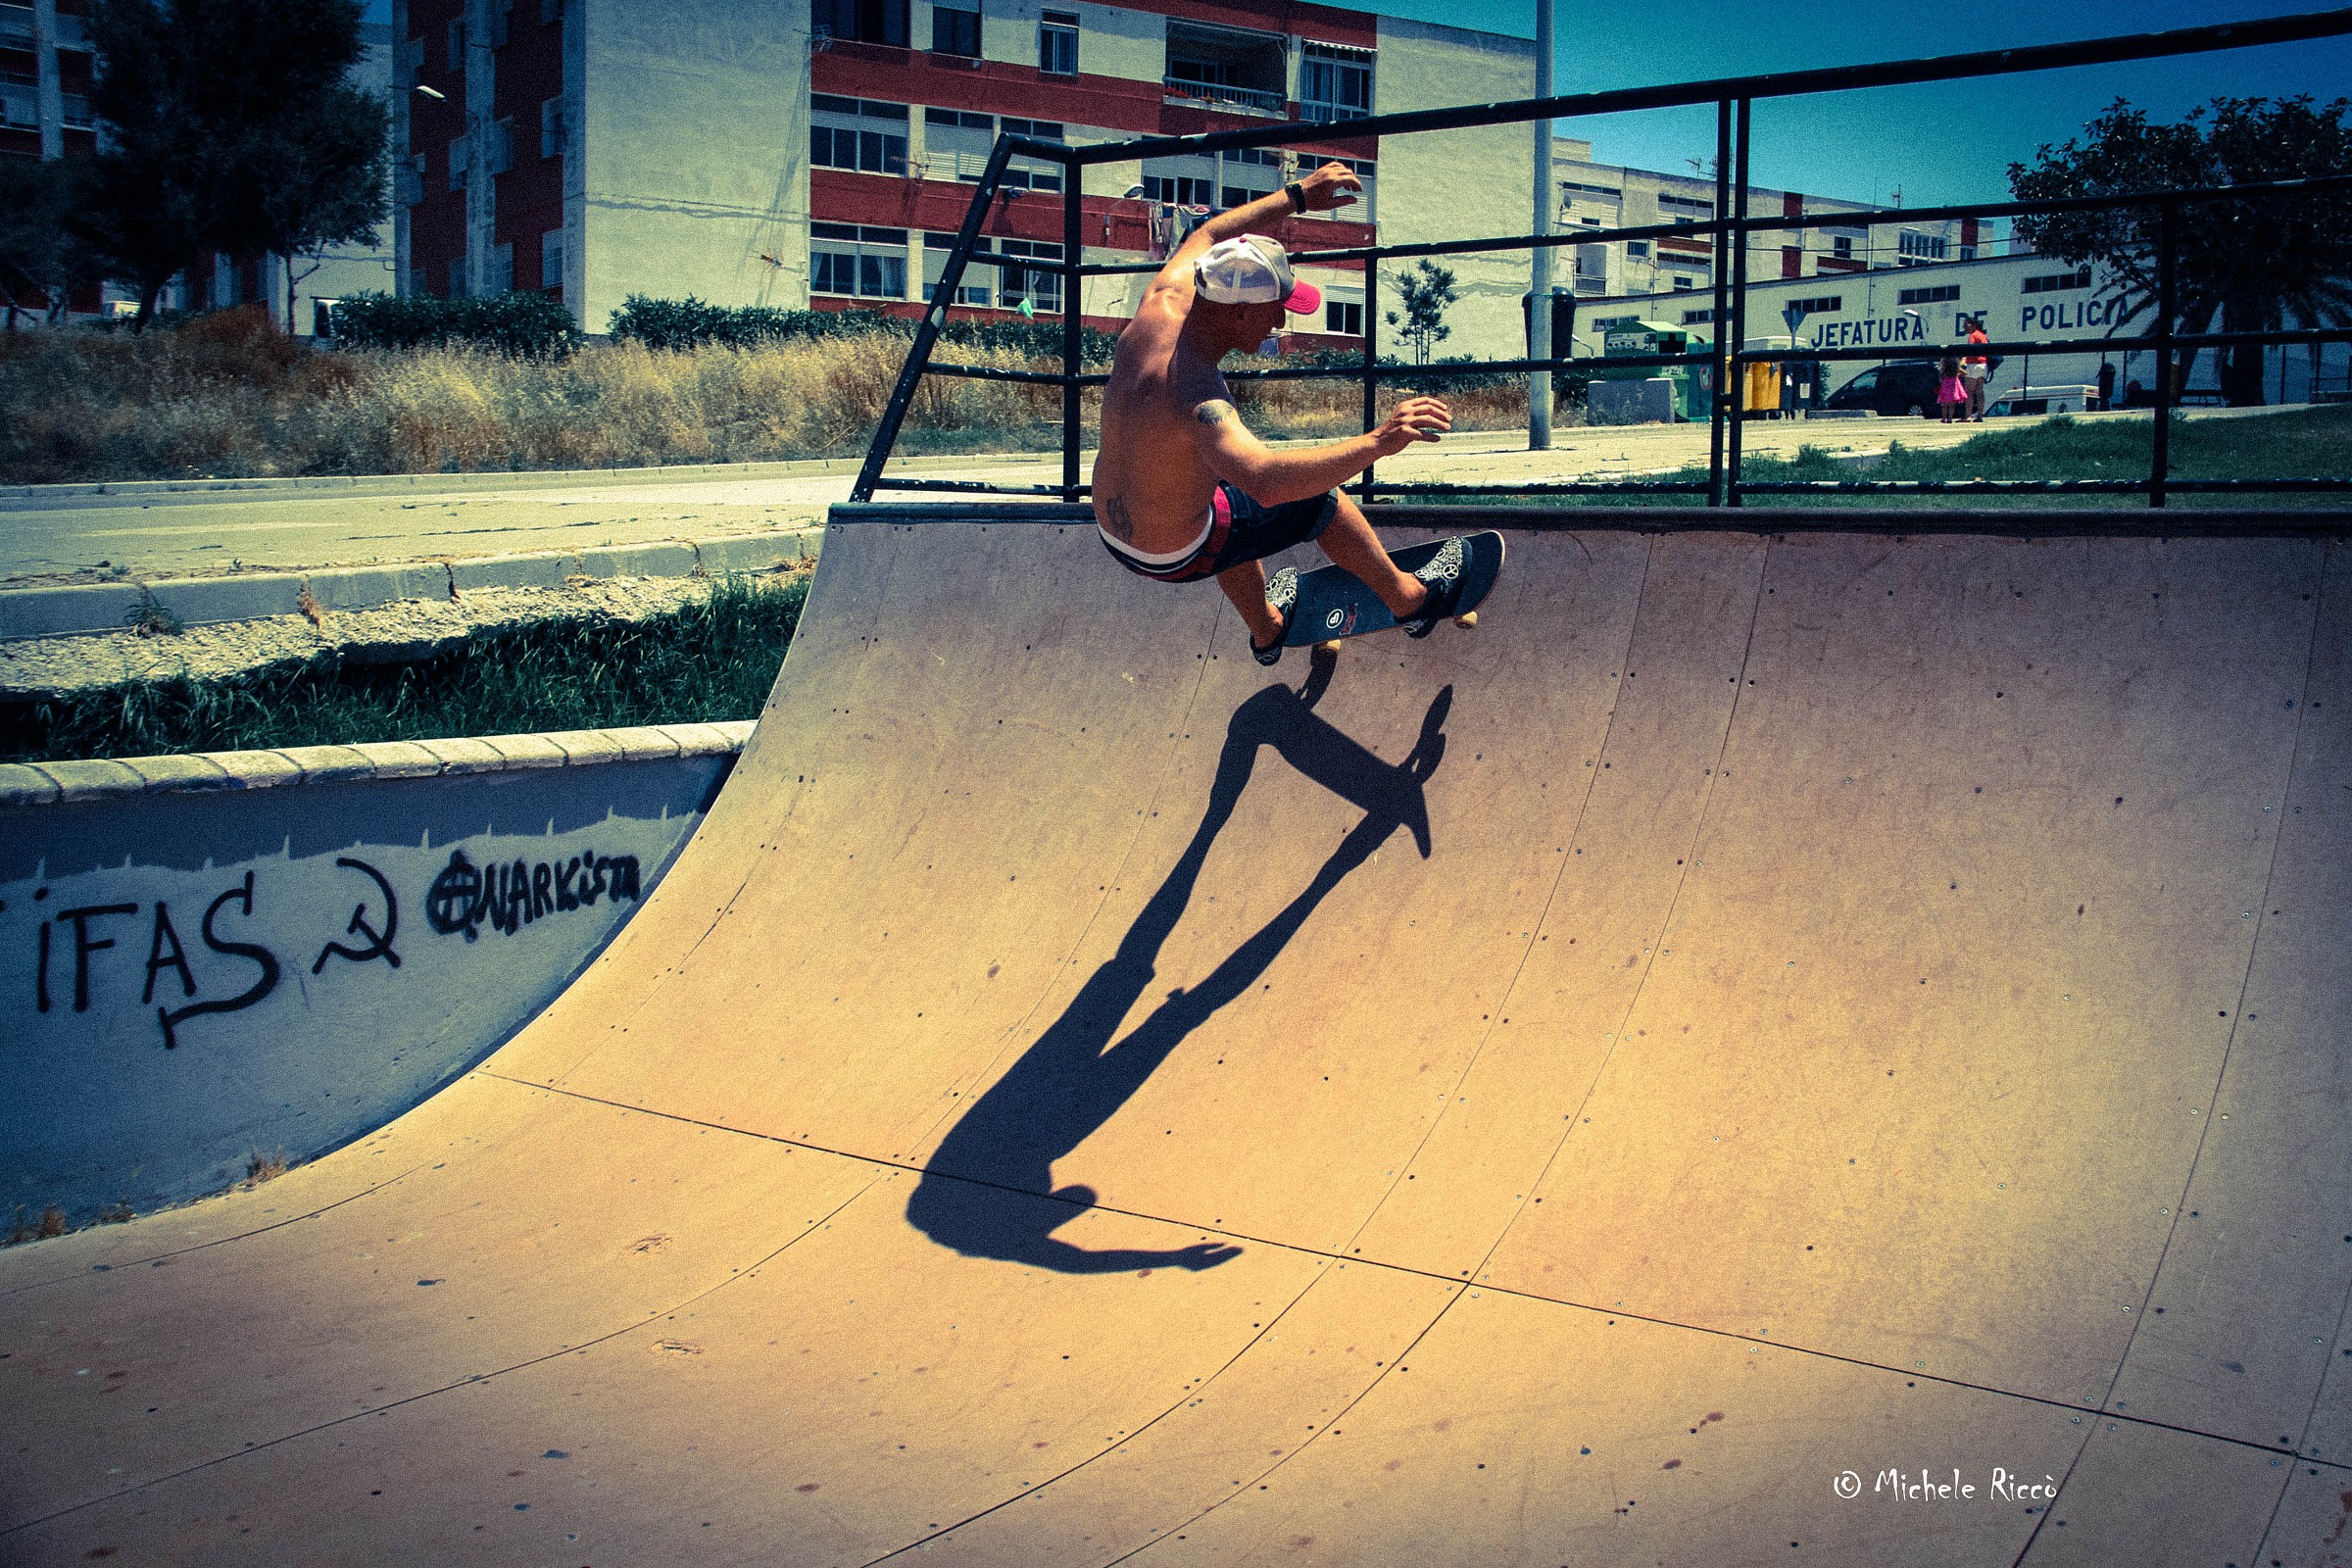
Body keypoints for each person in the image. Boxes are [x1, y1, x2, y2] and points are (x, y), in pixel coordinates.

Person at [1090, 160, 1465, 667]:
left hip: (1114, 534)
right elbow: (1267, 480)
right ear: (1240, 311)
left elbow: (1209, 231)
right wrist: (1379, 440)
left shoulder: (1162, 301)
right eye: (1277, 308)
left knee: (1226, 500)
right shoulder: (1199, 397)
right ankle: (1411, 600)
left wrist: (1298, 196)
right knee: (1317, 500)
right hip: (1172, 554)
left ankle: (1267, 629)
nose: (1283, 320)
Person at [1962, 316, 1991, 421]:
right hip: (1984, 364)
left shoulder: (1973, 336)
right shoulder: (1983, 336)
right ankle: (1980, 415)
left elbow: (1970, 349)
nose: (1964, 327)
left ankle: (1967, 415)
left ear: (1973, 325)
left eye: (1966, 325)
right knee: (1979, 391)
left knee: (1969, 392)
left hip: (1973, 364)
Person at [1937, 355, 1967, 423]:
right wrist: (1957, 375)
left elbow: (1941, 378)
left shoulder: (1944, 369)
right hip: (1954, 385)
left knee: (1945, 403)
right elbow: (1965, 373)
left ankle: (1944, 418)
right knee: (1952, 404)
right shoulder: (1956, 368)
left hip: (1945, 385)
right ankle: (1950, 418)